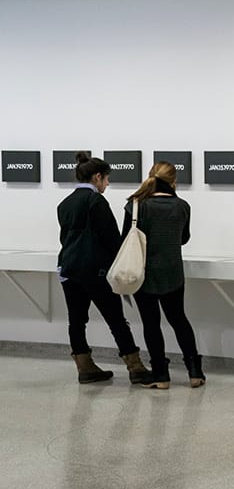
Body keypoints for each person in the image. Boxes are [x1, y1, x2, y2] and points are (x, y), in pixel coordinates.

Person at [55, 152, 152, 384]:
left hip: (69, 269)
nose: (107, 184)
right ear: (97, 177)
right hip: (96, 271)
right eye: (107, 179)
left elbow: (64, 238)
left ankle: (84, 367)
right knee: (116, 320)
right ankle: (135, 367)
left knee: (76, 321)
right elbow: (111, 238)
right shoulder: (96, 201)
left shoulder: (65, 203)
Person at [121, 162, 205, 389]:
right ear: (173, 181)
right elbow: (184, 238)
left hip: (143, 274)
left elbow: (125, 240)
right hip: (173, 273)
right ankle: (195, 371)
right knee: (179, 320)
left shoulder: (136, 205)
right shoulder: (182, 206)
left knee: (151, 324)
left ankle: (160, 375)